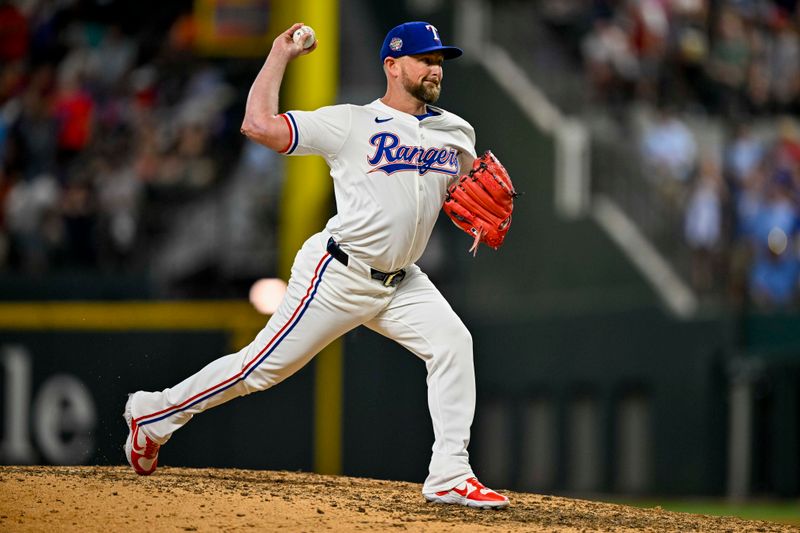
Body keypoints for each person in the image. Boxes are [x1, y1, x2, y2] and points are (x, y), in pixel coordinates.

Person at [123, 21, 510, 510]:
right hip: (338, 274)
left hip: (402, 280)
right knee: (258, 370)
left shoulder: (456, 131)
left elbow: (459, 193)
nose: (435, 68)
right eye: (424, 59)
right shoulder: (351, 123)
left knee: (453, 343)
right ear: (392, 66)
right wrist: (279, 54)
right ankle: (153, 414)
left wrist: (473, 207)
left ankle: (450, 474)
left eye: (439, 60)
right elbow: (257, 125)